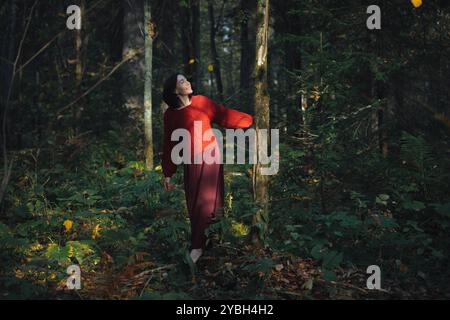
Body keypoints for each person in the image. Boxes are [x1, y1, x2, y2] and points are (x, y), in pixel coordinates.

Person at [161, 73, 253, 263]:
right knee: (194, 204)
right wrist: (168, 173)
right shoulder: (170, 115)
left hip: (210, 157)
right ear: (174, 90)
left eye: (187, 79)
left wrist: (250, 119)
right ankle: (203, 242)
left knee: (210, 201)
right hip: (190, 162)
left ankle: (201, 246)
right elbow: (169, 143)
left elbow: (224, 115)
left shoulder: (201, 102)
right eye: (182, 81)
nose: (187, 82)